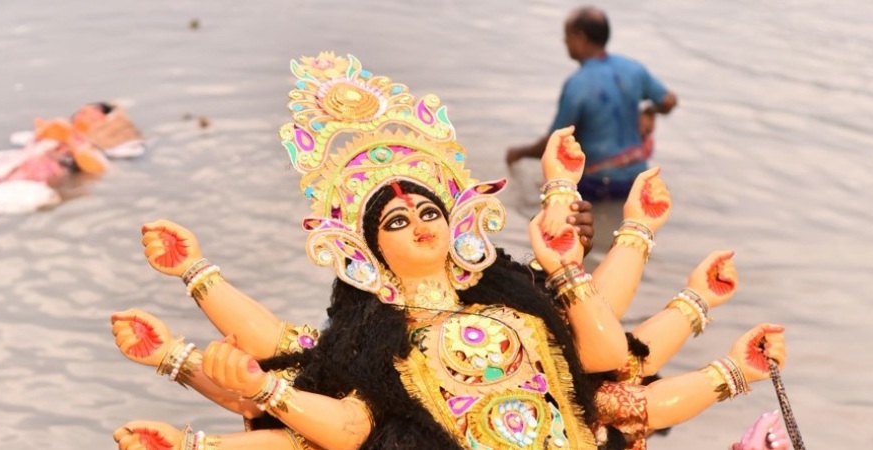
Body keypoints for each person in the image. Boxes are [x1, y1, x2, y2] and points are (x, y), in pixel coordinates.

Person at [103, 53, 787, 450]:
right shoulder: (372, 345)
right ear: (366, 252)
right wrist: (237, 377)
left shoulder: (519, 308)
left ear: (458, 220)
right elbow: (339, 427)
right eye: (397, 221)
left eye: (429, 209)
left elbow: (619, 382)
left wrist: (733, 363)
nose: (420, 224)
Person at [507, 6, 678, 251]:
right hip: (635, 178)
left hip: (595, 184)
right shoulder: (633, 69)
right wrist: (650, 111)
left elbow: (553, 143)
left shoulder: (578, 84)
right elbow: (670, 101)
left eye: (567, 36)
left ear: (580, 37)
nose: (564, 42)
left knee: (547, 200)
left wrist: (519, 153)